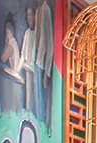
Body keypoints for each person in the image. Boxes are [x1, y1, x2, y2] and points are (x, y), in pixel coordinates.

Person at [34, 0, 53, 132]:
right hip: (36, 59)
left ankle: (45, 128)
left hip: (43, 61)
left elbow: (49, 43)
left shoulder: (46, 10)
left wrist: (47, 70)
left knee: (43, 98)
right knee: (36, 96)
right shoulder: (37, 10)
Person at [19, 4, 37, 111]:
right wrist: (17, 70)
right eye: (28, 15)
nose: (29, 17)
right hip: (27, 67)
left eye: (31, 14)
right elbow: (23, 54)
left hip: (35, 68)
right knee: (27, 93)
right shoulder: (27, 33)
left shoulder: (37, 33)